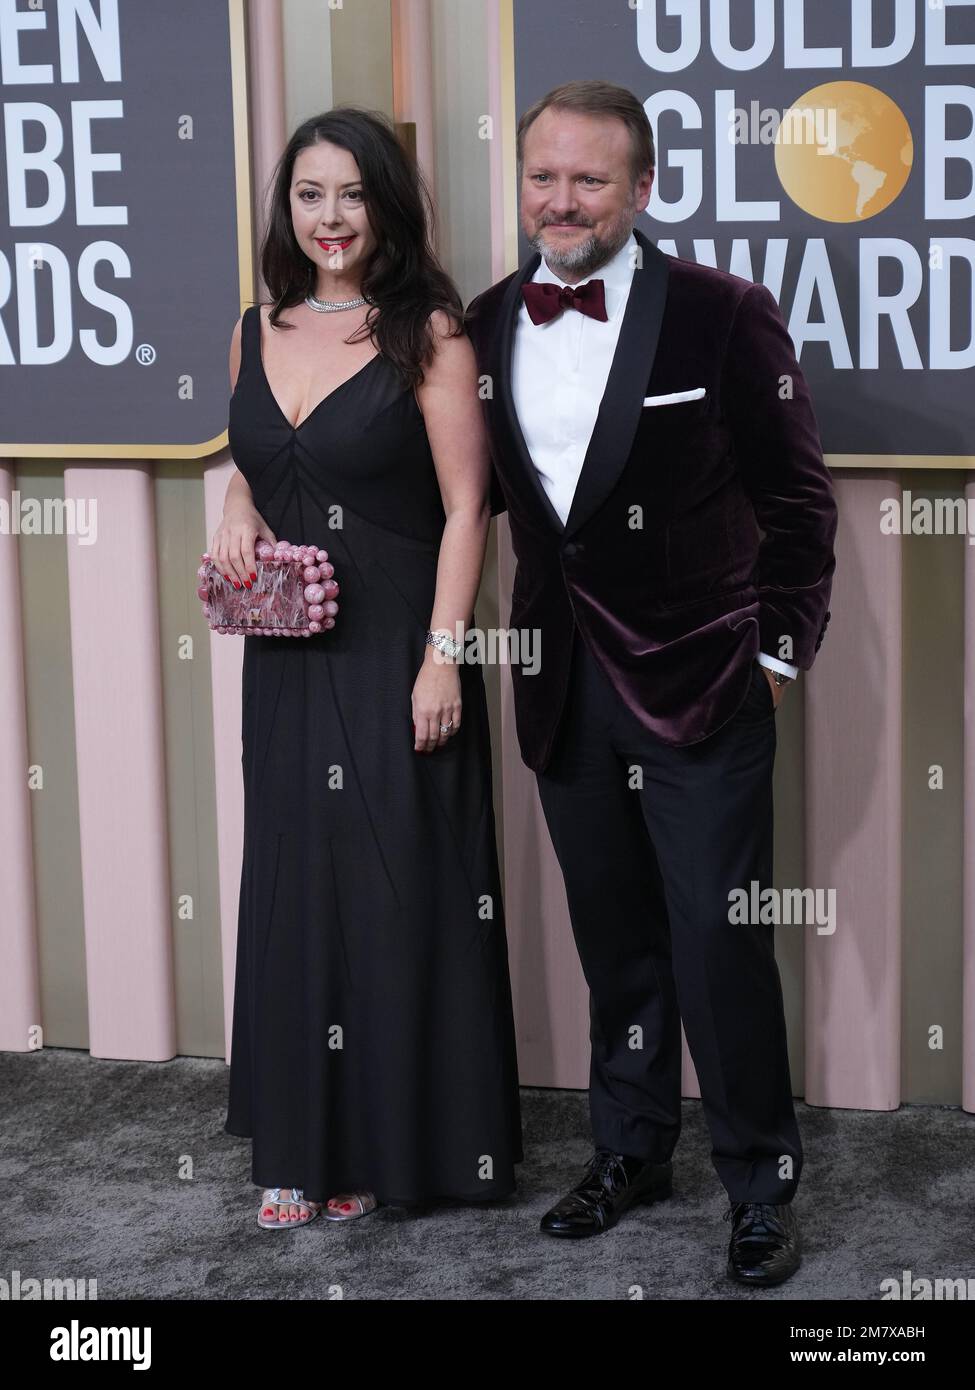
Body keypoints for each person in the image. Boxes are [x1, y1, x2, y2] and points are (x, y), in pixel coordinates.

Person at [465, 80, 837, 1286]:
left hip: (705, 684)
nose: (559, 200)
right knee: (616, 940)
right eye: (542, 176)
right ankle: (631, 1149)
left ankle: (760, 1183)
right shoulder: (482, 323)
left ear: (641, 188)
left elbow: (795, 502)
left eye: (588, 179)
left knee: (721, 942)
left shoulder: (724, 316)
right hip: (565, 683)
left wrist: (777, 654)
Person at [215, 107, 522, 1228]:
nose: (329, 216)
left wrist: (444, 659)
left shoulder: (429, 330)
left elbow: (465, 505)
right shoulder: (256, 326)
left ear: (385, 204)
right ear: (286, 209)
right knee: (296, 888)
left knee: (400, 893)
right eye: (308, 195)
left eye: (349, 194)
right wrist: (233, 511)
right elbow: (263, 454)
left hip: (397, 645)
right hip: (289, 654)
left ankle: (389, 1146)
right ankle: (304, 1144)